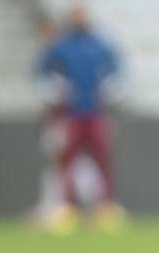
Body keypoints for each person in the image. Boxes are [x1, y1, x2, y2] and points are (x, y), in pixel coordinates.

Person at [35, 5, 126, 234]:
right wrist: (53, 89)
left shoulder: (100, 45)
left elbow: (116, 71)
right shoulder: (60, 47)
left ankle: (105, 209)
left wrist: (112, 87)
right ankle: (67, 209)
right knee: (67, 163)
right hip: (70, 115)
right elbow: (43, 73)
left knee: (103, 159)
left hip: (96, 112)